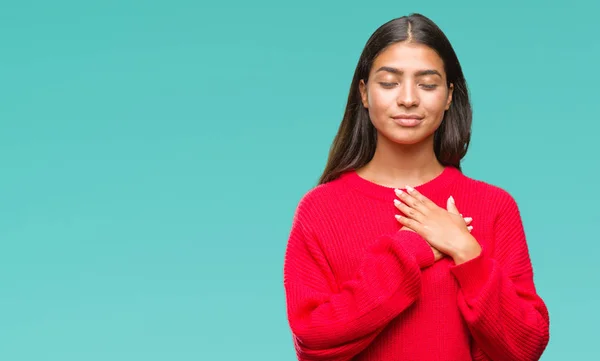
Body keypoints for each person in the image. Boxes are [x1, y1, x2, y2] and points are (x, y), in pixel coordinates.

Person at [282, 13, 550, 361]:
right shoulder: (321, 209)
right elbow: (313, 340)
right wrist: (411, 251)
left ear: (450, 95)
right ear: (364, 93)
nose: (408, 99)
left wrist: (467, 253)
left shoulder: (493, 205)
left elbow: (524, 346)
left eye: (427, 84)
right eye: (389, 82)